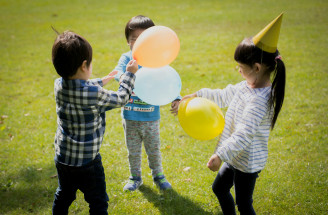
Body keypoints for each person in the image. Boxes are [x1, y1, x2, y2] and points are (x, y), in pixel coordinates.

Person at [178, 14, 285, 214]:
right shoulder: (247, 85)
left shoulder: (260, 100)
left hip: (247, 162)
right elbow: (224, 94)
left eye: (241, 68)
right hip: (234, 155)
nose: (238, 71)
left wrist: (220, 154)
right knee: (218, 188)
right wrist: (198, 95)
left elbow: (244, 133)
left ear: (257, 68)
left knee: (244, 204)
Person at [51, 30, 138, 215]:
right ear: (84, 65)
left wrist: (102, 80)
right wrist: (130, 74)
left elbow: (82, 86)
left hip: (63, 158)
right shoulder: (94, 94)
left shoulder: (58, 84)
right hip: (87, 163)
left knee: (64, 194)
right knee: (97, 200)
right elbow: (121, 98)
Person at [112, 15, 180, 191]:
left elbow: (168, 80)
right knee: (133, 151)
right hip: (131, 116)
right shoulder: (127, 59)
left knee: (154, 150)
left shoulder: (156, 61)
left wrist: (176, 97)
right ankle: (135, 177)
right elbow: (117, 73)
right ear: (128, 40)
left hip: (151, 117)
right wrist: (127, 74)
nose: (137, 42)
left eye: (142, 38)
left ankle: (158, 175)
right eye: (133, 39)